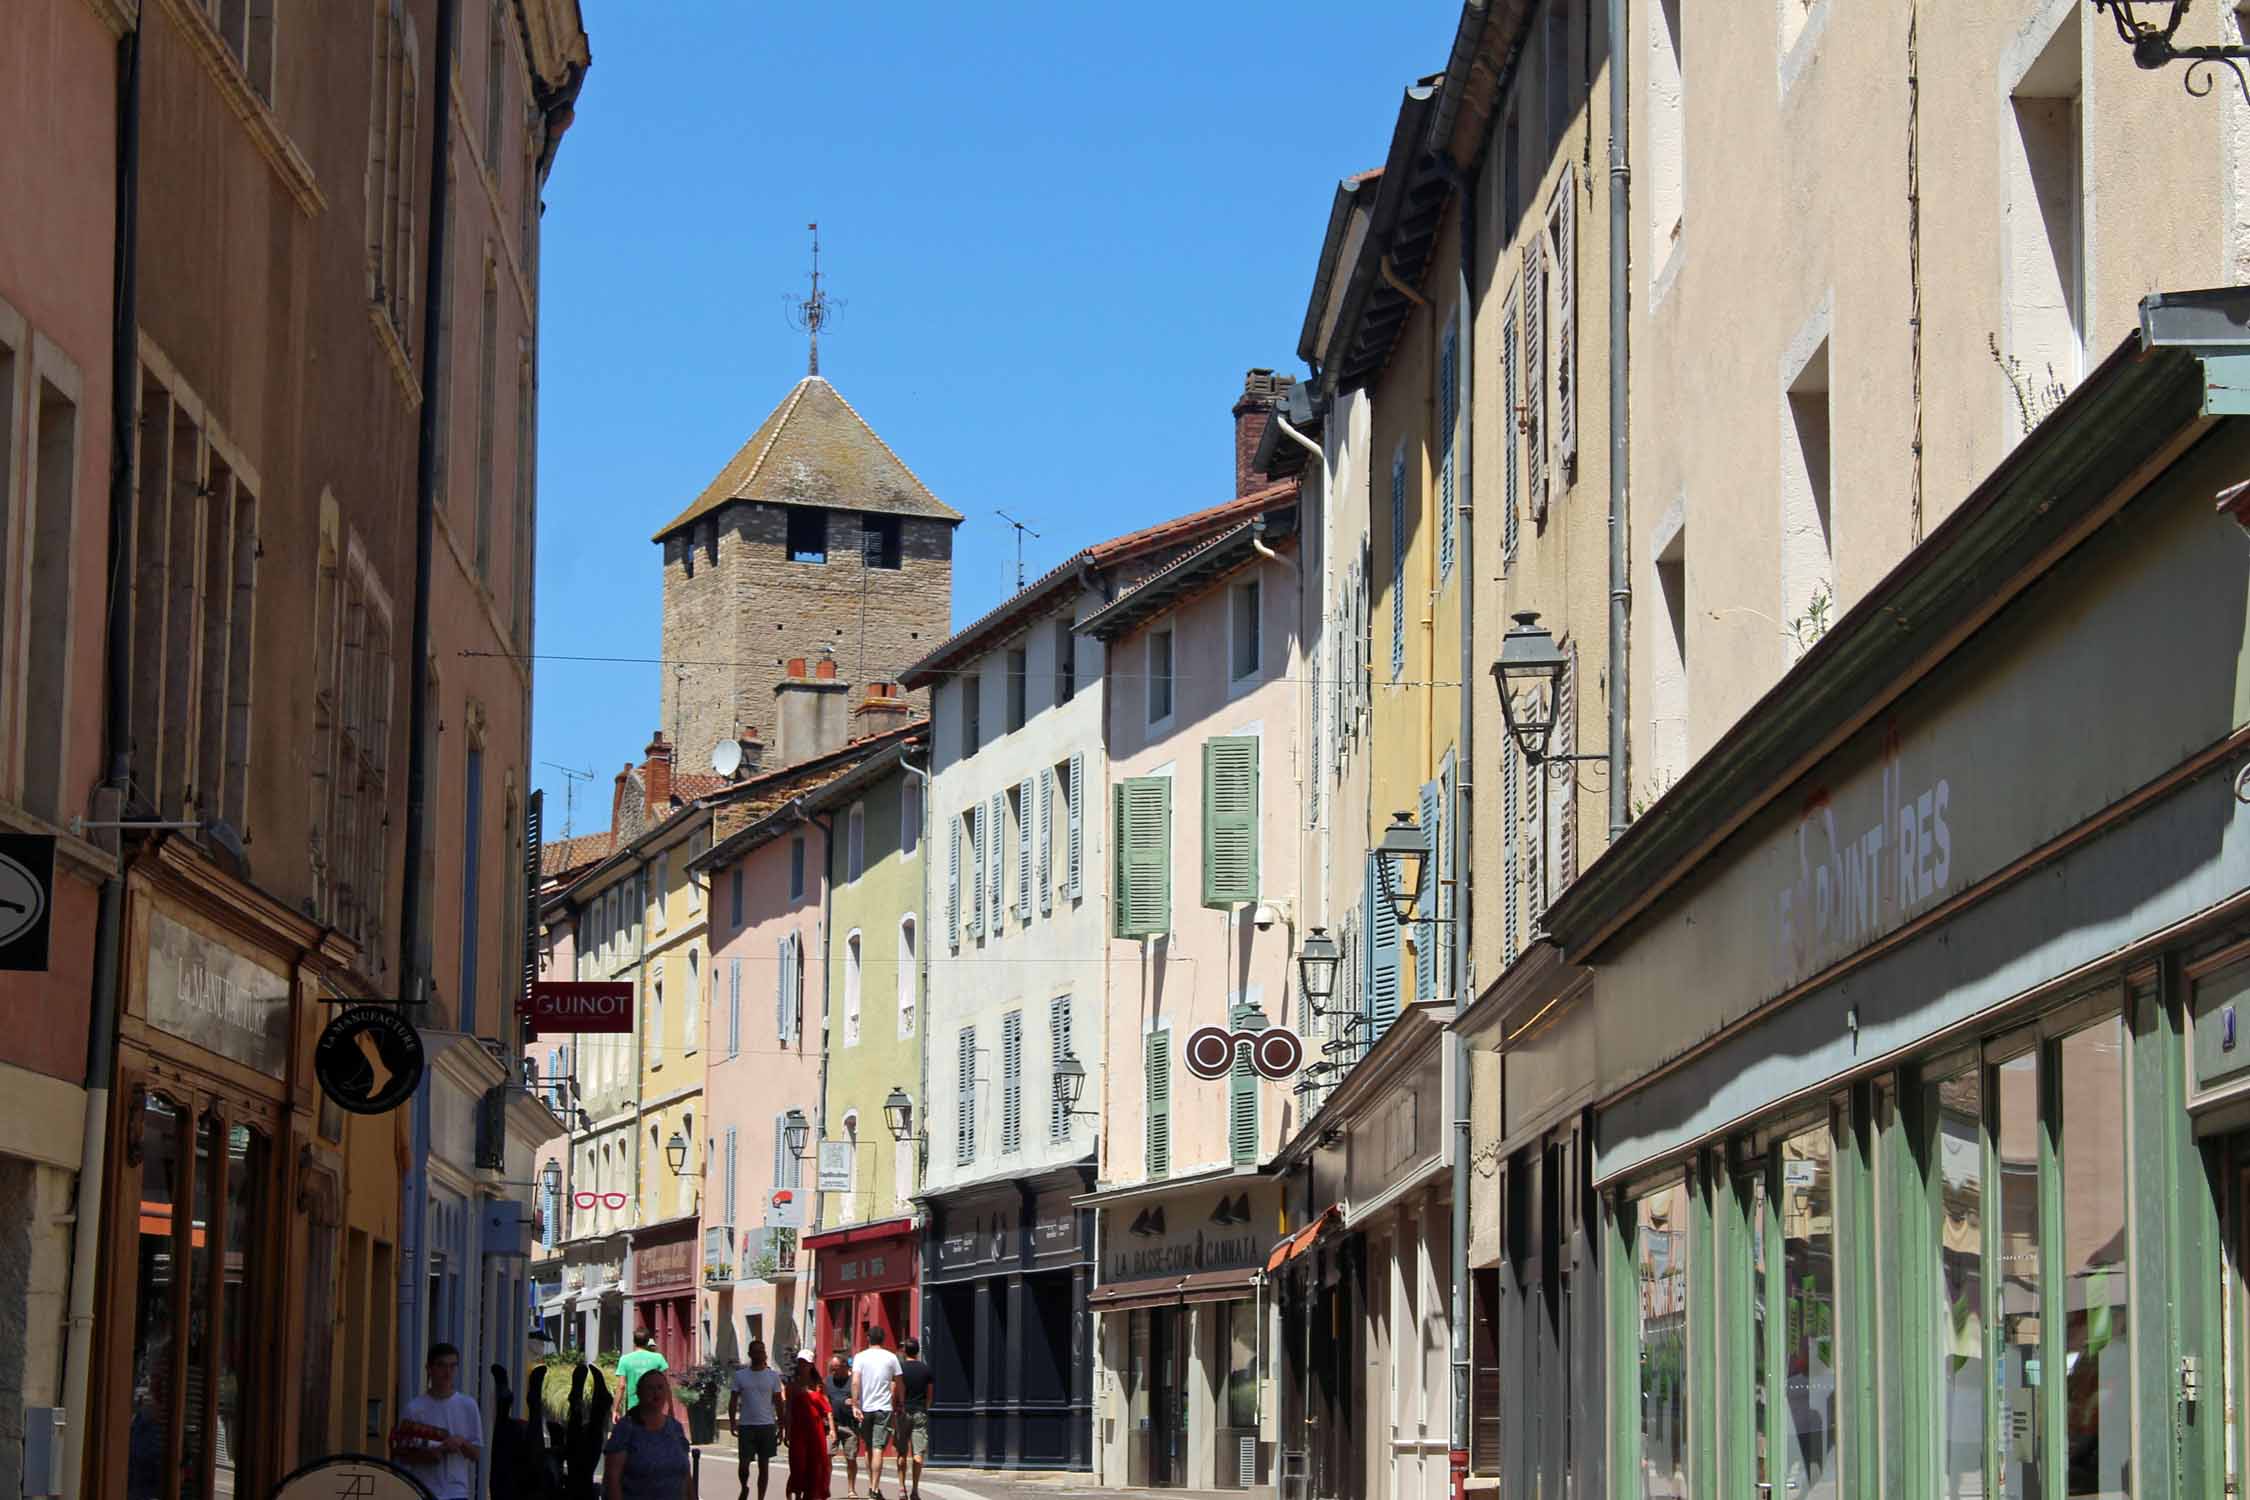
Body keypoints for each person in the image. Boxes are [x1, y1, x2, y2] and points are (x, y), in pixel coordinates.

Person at [394, 1343, 486, 1500]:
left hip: (457, 1492)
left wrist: (461, 1442)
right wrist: (433, 1453)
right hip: (422, 1490)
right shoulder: (414, 1408)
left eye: (452, 1366)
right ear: (429, 1369)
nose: (447, 1372)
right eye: (442, 1366)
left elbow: (476, 1454)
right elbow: (402, 1455)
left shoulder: (468, 1405)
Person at [602, 1368, 693, 1500]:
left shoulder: (675, 1428)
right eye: (650, 1388)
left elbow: (686, 1476)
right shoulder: (626, 1428)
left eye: (661, 1387)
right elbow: (612, 1479)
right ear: (639, 1393)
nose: (656, 1393)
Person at [849, 1327, 904, 1500]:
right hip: (884, 1408)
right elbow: (900, 1382)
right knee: (878, 1447)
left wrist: (855, 1404)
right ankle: (874, 1488)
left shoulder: (860, 1357)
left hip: (866, 1408)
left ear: (868, 1338)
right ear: (883, 1339)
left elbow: (856, 1381)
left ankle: (871, 1486)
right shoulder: (891, 1357)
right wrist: (900, 1402)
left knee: (868, 1448)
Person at [729, 1340, 787, 1500]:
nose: (759, 1354)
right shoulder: (741, 1376)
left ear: (765, 1354)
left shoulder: (772, 1376)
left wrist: (781, 1426)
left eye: (761, 1351)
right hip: (746, 1425)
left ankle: (761, 1497)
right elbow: (733, 1400)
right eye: (755, 1351)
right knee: (744, 1464)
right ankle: (744, 1486)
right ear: (750, 1354)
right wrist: (733, 1421)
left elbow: (778, 1402)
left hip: (767, 1425)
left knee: (764, 1465)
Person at [783, 1352, 836, 1500]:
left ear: (811, 1365)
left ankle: (812, 1495)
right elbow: (788, 1409)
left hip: (816, 1430)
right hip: (798, 1430)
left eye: (805, 1363)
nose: (802, 1366)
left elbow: (827, 1408)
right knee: (798, 1464)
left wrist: (831, 1429)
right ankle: (797, 1493)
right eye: (800, 1362)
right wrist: (786, 1431)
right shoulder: (792, 1386)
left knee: (815, 1464)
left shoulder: (819, 1385)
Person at [893, 1339, 934, 1500]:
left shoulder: (900, 1370)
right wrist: (926, 1408)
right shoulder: (926, 1370)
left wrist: (895, 1408)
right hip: (919, 1412)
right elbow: (930, 1395)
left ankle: (902, 1488)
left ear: (905, 1352)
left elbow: (894, 1391)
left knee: (901, 1452)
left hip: (903, 1412)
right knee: (918, 1453)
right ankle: (915, 1490)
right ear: (917, 1351)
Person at [826, 1354, 861, 1500]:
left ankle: (851, 1489)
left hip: (850, 1426)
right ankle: (825, 1487)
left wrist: (854, 1402)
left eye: (836, 1369)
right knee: (827, 1456)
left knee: (851, 1458)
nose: (833, 1372)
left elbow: (861, 1400)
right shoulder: (827, 1382)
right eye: (831, 1369)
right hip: (831, 1425)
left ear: (845, 1367)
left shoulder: (853, 1381)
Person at [617, 1328, 669, 1417]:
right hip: (654, 1406)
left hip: (633, 1407)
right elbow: (665, 1385)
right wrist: (670, 1407)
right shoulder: (658, 1358)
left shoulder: (625, 1359)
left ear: (634, 1341)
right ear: (648, 1341)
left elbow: (621, 1386)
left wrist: (615, 1409)